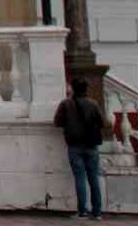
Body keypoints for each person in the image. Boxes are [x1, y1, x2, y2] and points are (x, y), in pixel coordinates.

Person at [54, 76, 106, 220]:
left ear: (73, 89)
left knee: (80, 179)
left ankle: (82, 211)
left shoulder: (66, 104)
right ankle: (97, 212)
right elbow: (103, 122)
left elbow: (57, 122)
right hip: (91, 145)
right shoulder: (93, 104)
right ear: (86, 89)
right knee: (93, 178)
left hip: (75, 145)